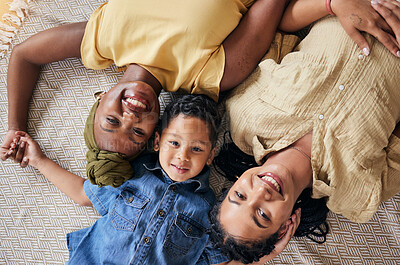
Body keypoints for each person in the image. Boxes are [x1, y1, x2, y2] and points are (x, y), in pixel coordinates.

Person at [2, 0, 399, 188]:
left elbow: (23, 55)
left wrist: (16, 127)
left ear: (98, 98)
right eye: (137, 132)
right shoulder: (212, 75)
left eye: (112, 119)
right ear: (157, 130)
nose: (131, 114)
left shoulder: (100, 42)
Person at [208, 0, 400, 263]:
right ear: (286, 226)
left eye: (239, 195)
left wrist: (333, 5)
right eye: (263, 215)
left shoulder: (246, 115)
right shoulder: (358, 195)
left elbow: (280, 27)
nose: (259, 193)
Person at [8, 95, 226, 264]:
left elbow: (215, 259)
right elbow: (83, 193)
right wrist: (39, 160)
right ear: (157, 141)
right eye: (175, 143)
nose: (183, 156)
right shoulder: (133, 174)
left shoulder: (209, 209)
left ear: (210, 156)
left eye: (196, 148)